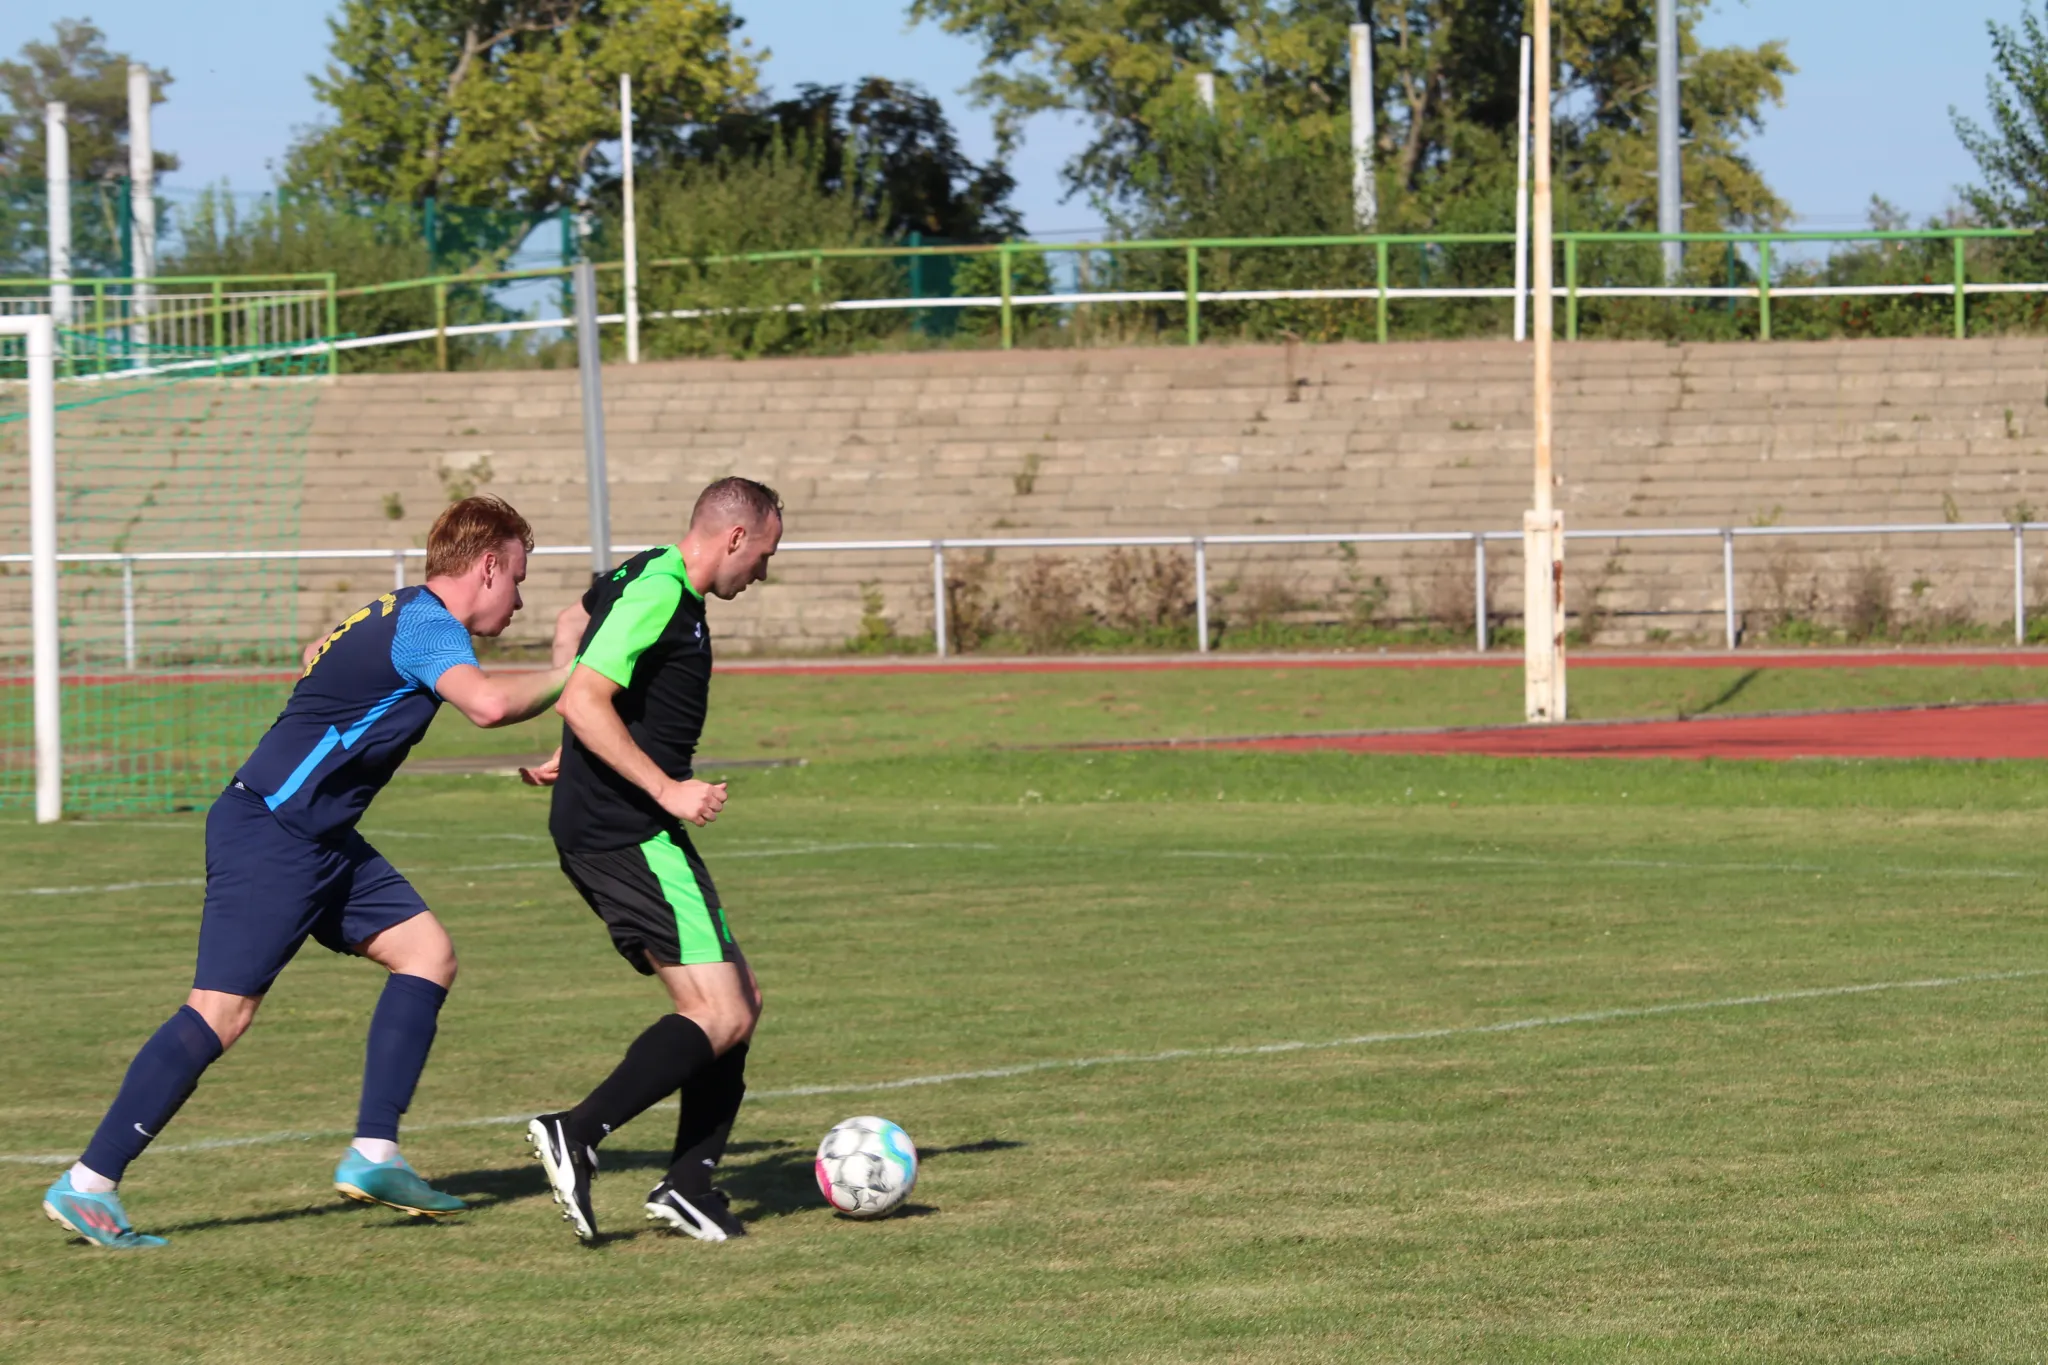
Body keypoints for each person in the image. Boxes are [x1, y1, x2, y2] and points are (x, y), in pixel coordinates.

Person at [42, 495, 585, 1249]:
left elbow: (319, 657)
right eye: (518, 578)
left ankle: (375, 1155)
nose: (519, 598)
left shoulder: (393, 611)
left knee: (427, 953)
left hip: (318, 834)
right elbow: (488, 705)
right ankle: (89, 1181)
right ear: (487, 565)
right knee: (220, 1011)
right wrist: (573, 671)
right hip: (274, 831)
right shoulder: (428, 624)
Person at [523, 476, 782, 1244]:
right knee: (720, 1010)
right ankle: (577, 1130)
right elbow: (584, 696)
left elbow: (573, 622)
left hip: (616, 825)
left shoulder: (647, 570)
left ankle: (690, 1184)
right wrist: (666, 787)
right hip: (629, 828)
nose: (763, 571)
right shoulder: (661, 591)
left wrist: (573, 746)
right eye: (764, 554)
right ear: (735, 537)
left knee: (740, 998)